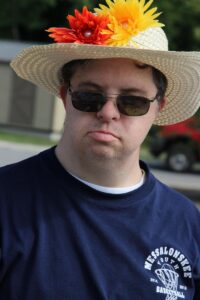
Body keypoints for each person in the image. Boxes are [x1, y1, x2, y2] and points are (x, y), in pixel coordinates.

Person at [1, 0, 200, 299]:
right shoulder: (5, 199)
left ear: (158, 108)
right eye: (89, 96)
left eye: (132, 101)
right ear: (65, 95)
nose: (108, 112)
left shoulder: (188, 224)